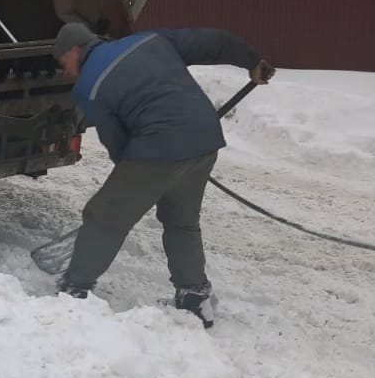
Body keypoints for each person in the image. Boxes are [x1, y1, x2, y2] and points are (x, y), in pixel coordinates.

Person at [51, 21, 275, 327]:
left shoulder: (88, 85)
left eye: (63, 62)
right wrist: (252, 60)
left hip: (159, 145)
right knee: (181, 221)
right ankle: (193, 297)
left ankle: (73, 289)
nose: (64, 71)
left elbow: (118, 143)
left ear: (75, 50)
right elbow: (212, 41)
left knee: (105, 215)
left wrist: (135, 180)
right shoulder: (148, 41)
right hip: (204, 138)